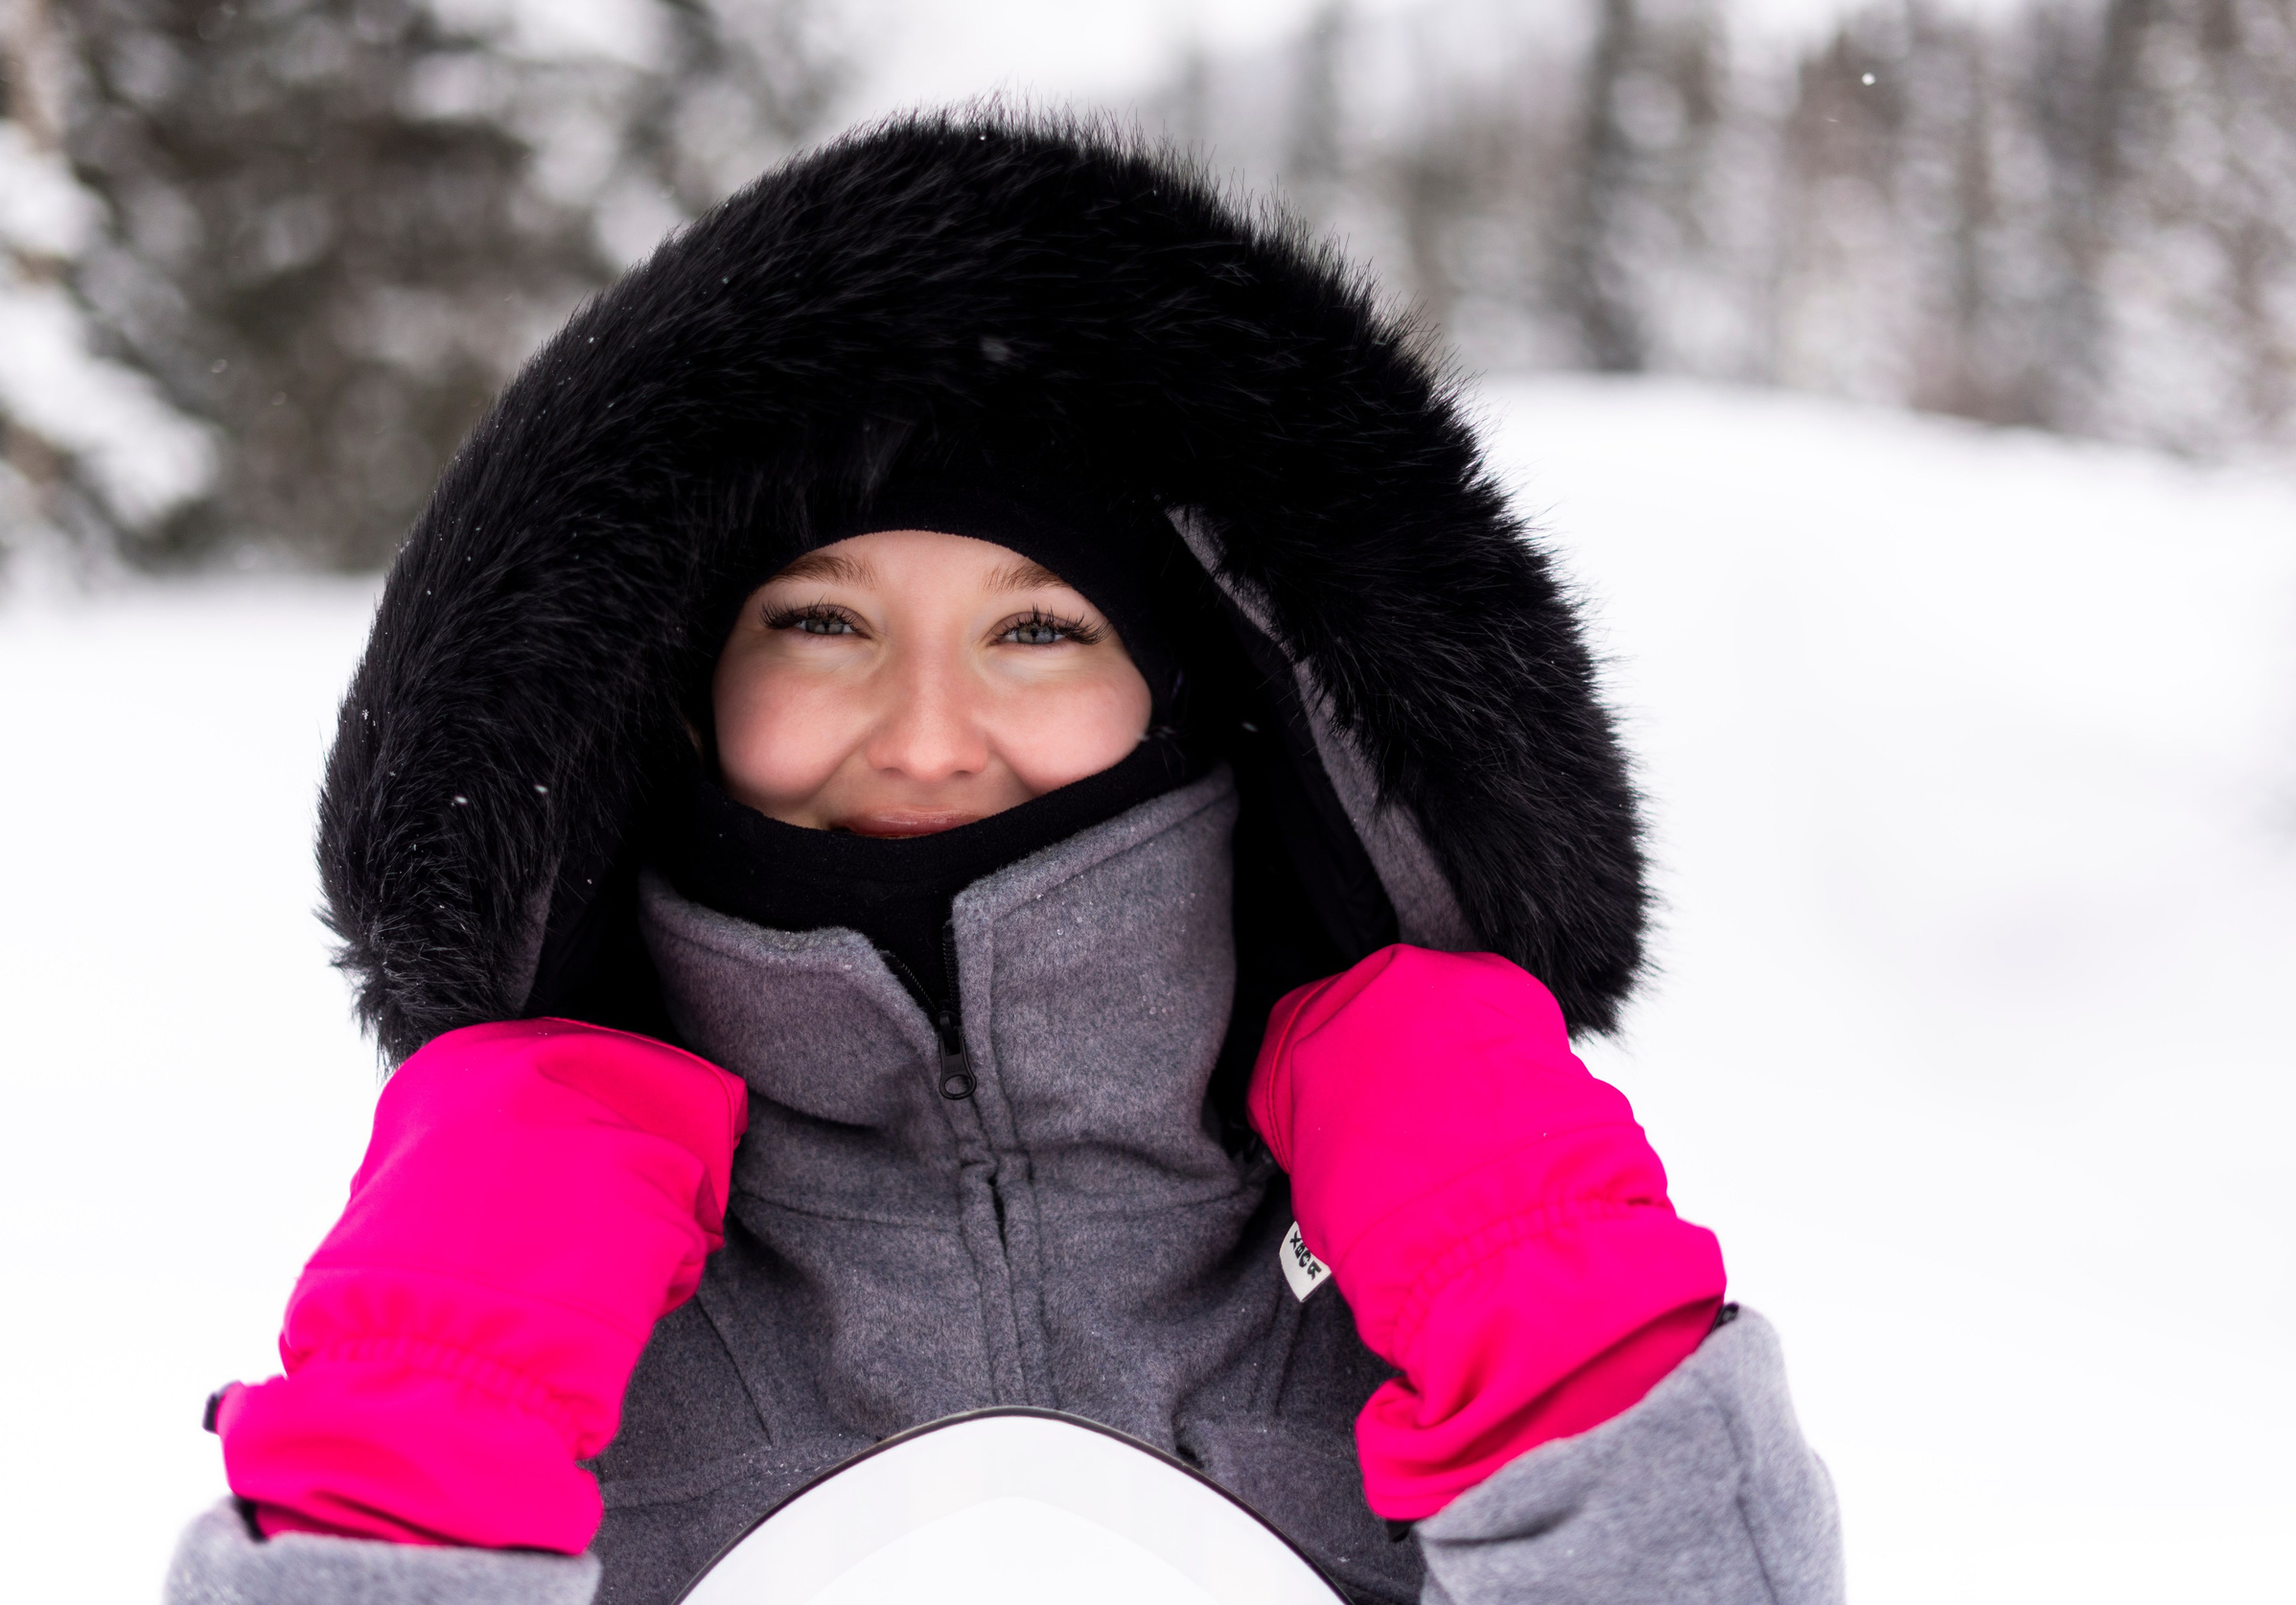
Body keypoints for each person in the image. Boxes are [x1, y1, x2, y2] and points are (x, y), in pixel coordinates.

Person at [163, 116, 1842, 1605]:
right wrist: (415, 1434)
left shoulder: (1393, 1243)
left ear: (1189, 688)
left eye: (1038, 626)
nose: (926, 733)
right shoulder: (555, 1284)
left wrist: (1540, 1291)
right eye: (821, 621)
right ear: (678, 689)